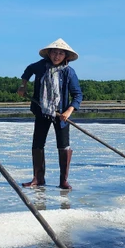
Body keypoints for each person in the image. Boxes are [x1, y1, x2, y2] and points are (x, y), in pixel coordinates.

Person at [17, 39, 83, 190]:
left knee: (63, 146)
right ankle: (38, 178)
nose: (57, 56)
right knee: (38, 144)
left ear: (65, 56)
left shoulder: (69, 72)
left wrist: (68, 111)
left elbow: (78, 95)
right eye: (54, 52)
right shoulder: (40, 66)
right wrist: (23, 85)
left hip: (61, 114)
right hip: (42, 111)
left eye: (60, 53)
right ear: (49, 53)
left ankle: (63, 180)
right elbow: (28, 71)